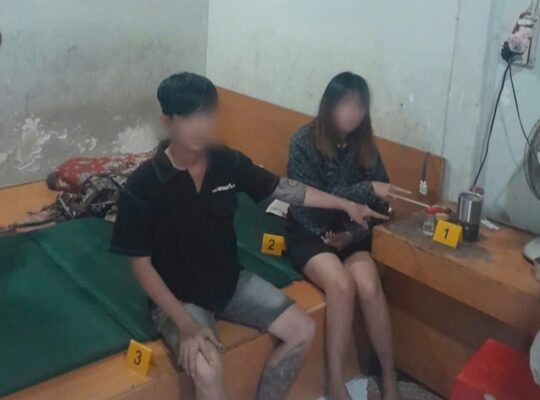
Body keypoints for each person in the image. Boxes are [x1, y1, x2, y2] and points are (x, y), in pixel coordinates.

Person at [110, 72, 388, 400]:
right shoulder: (142, 186)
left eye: (206, 114)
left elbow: (286, 189)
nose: (200, 126)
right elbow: (140, 266)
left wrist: (346, 204)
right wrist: (185, 324)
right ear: (167, 120)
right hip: (180, 297)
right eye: (187, 117)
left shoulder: (226, 161)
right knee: (207, 370)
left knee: (303, 330)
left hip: (231, 282)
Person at [286, 72, 405, 400]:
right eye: (346, 104)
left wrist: (351, 234)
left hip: (350, 232)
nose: (354, 113)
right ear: (330, 104)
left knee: (369, 286)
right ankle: (336, 382)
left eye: (360, 106)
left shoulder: (364, 145)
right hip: (309, 230)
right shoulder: (303, 141)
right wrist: (367, 189)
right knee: (341, 285)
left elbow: (379, 202)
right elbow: (310, 198)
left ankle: (389, 377)